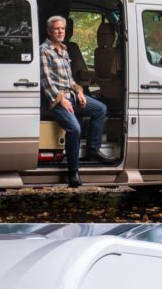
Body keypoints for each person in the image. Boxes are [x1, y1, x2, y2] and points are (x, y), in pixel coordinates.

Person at [40, 15, 111, 188]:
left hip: (71, 96)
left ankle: (93, 150)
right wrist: (60, 99)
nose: (60, 31)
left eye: (62, 28)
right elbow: (46, 81)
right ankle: (73, 172)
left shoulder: (64, 50)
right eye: (56, 29)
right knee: (75, 128)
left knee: (100, 109)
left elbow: (70, 80)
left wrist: (78, 91)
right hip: (56, 102)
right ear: (49, 31)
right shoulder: (44, 50)